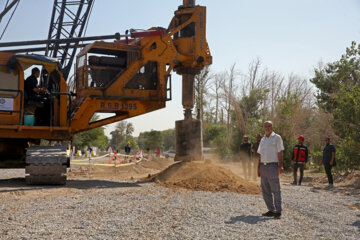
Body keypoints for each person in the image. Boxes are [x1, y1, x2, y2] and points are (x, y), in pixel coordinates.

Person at [257, 121, 284, 219]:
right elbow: (260, 154)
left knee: (275, 189)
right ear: (263, 128)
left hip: (273, 166)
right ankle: (271, 210)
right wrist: (258, 168)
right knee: (265, 190)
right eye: (265, 126)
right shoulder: (263, 140)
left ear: (272, 127)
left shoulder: (277, 138)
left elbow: (280, 152)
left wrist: (280, 165)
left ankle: (278, 211)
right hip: (263, 167)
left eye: (269, 126)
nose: (267, 128)